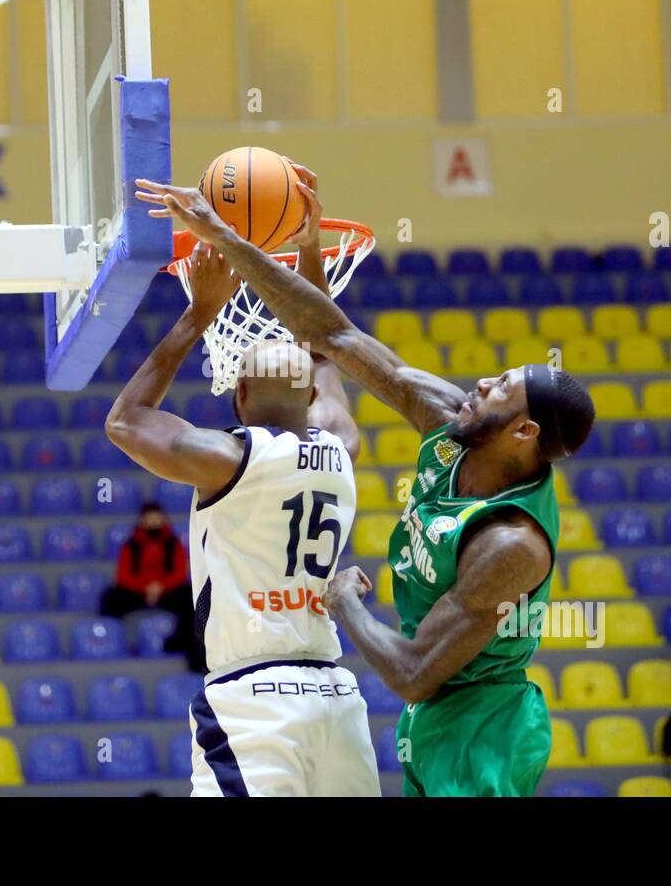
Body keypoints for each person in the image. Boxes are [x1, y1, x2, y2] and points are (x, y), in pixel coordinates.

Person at [136, 171, 596, 797]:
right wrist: (301, 246)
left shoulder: (512, 544)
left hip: (481, 721)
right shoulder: (446, 416)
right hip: (421, 708)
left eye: (500, 389)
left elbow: (411, 672)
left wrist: (344, 596)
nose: (482, 384)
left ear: (523, 433)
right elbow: (334, 340)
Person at [104, 182, 380, 797]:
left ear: (237, 399)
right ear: (313, 399)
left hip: (254, 700)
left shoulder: (228, 456)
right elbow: (327, 345)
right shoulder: (342, 444)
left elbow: (124, 421)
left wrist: (199, 314)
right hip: (335, 696)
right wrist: (309, 249)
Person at [99, 502, 202, 672]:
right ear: (142, 521)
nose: (153, 521)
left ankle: (184, 646)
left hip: (166, 591)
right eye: (149, 518)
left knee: (190, 599)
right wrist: (145, 588)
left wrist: (160, 587)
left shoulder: (174, 543)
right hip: (138, 593)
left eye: (156, 517)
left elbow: (179, 573)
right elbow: (123, 576)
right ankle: (115, 647)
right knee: (111, 598)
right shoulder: (130, 545)